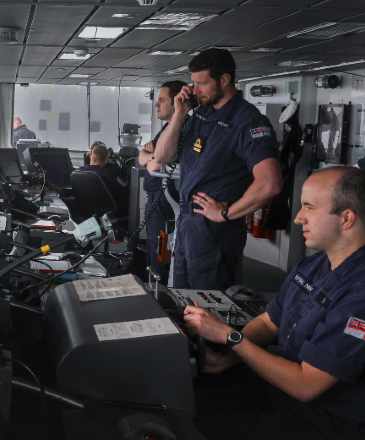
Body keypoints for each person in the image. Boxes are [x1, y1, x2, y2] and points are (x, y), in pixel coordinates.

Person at [184, 167, 365, 440]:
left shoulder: (359, 294)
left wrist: (230, 338)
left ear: (346, 218)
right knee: (195, 400)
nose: (297, 217)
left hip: (331, 429)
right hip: (284, 395)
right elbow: (269, 322)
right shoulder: (315, 266)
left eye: (309, 207)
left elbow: (306, 385)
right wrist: (224, 360)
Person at [154, 49, 282, 289]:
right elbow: (162, 156)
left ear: (225, 79)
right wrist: (179, 115)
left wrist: (226, 213)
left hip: (214, 230)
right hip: (187, 223)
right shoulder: (200, 113)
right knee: (183, 302)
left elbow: (270, 183)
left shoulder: (248, 121)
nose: (195, 90)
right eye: (193, 83)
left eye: (202, 83)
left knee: (207, 307)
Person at [138, 81, 185, 284]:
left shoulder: (181, 129)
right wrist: (152, 157)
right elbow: (142, 157)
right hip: (157, 199)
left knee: (162, 250)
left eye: (162, 100)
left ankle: (160, 295)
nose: (157, 105)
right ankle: (152, 288)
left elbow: (154, 165)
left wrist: (153, 158)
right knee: (153, 247)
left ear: (177, 103)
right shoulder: (167, 128)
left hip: (168, 202)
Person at [77, 142, 128, 207]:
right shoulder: (108, 175)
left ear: (90, 156)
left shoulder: (77, 172)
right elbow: (125, 191)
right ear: (105, 161)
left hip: (83, 211)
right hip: (106, 213)